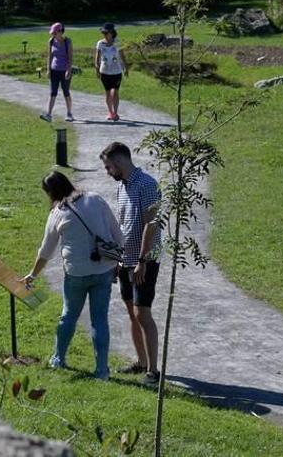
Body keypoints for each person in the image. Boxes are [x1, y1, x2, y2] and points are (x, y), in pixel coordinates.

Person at [20, 171, 123, 380]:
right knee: (99, 320)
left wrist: (32, 275)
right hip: (103, 269)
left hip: (76, 273)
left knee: (69, 316)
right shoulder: (95, 199)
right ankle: (102, 370)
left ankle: (58, 359)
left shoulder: (58, 212)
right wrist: (117, 261)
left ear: (51, 193)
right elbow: (117, 233)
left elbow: (45, 252)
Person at [99, 142, 161, 386]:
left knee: (142, 312)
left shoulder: (146, 184)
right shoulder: (122, 187)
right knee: (131, 312)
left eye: (108, 166)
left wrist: (142, 260)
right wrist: (119, 259)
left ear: (120, 161)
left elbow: (151, 224)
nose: (107, 172)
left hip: (144, 260)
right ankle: (141, 362)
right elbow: (124, 226)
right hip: (126, 260)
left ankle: (153, 372)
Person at [40, 22, 74, 123]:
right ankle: (49, 114)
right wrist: (48, 70)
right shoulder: (51, 41)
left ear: (60, 32)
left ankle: (69, 113)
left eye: (55, 33)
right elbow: (50, 56)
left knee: (66, 92)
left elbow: (70, 57)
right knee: (52, 92)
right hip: (54, 70)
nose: (53, 35)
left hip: (64, 71)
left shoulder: (67, 42)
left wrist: (69, 70)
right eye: (52, 33)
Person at [94, 23, 128, 122]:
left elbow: (122, 56)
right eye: (103, 32)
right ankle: (110, 112)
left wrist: (126, 68)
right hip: (104, 72)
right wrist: (97, 68)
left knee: (115, 92)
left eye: (106, 32)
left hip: (116, 71)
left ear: (112, 33)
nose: (104, 34)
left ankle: (116, 112)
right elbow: (97, 58)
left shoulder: (117, 42)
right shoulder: (100, 43)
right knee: (108, 93)